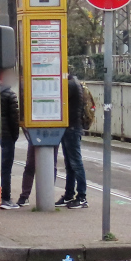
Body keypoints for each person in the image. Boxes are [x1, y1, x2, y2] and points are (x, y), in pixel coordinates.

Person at [57, 75, 89, 209]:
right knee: (71, 164)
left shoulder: (70, 85)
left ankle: (81, 197)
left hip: (71, 127)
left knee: (75, 163)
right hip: (71, 127)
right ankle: (69, 195)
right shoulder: (75, 82)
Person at [0, 68, 21, 209]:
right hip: (7, 137)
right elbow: (14, 119)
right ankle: (6, 198)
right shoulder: (9, 94)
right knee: (6, 169)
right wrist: (15, 136)